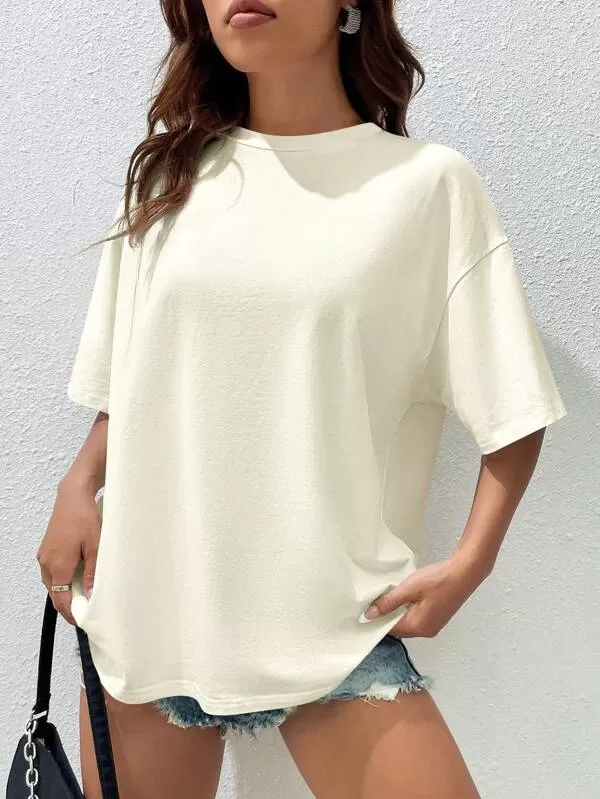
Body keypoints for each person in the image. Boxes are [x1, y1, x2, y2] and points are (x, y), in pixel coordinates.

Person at [36, 1, 567, 796]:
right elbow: (136, 378)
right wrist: (79, 484)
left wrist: (471, 563)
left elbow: (514, 405)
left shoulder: (426, 186)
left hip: (334, 620)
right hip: (150, 606)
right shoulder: (166, 179)